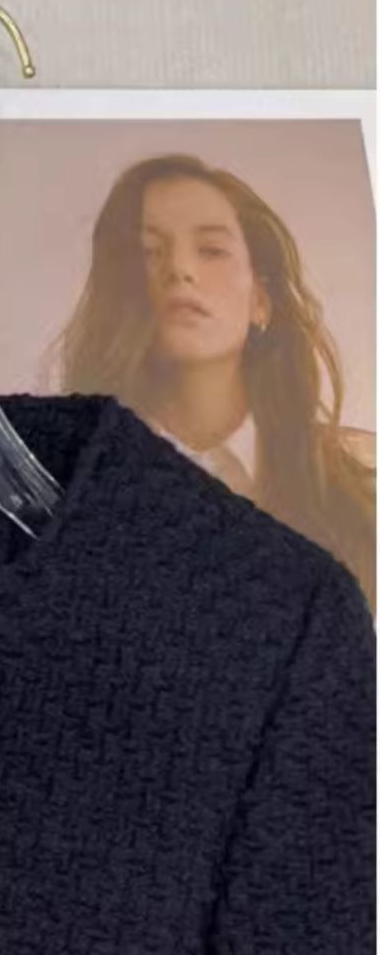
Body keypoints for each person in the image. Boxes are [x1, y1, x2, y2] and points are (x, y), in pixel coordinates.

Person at [47, 153, 376, 614]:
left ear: (261, 300)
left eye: (211, 250)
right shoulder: (63, 487)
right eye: (149, 251)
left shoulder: (359, 481)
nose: (180, 269)